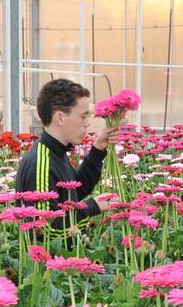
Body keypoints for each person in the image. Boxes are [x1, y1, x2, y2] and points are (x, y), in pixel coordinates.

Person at [14, 79, 118, 239]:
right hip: (52, 262)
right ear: (60, 118)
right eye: (83, 116)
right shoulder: (40, 163)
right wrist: (90, 207)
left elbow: (74, 193)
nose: (88, 123)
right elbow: (45, 230)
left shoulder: (56, 152)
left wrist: (98, 149)